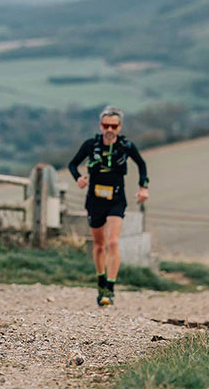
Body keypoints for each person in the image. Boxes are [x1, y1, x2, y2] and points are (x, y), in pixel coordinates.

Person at [68, 106, 148, 307]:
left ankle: (110, 289)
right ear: (100, 125)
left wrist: (143, 188)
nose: (109, 129)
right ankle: (101, 281)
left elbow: (141, 164)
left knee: (112, 242)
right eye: (106, 125)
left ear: (120, 126)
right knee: (99, 244)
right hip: (95, 200)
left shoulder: (126, 146)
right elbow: (72, 164)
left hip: (117, 199)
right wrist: (78, 178)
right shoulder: (91, 145)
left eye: (114, 125)